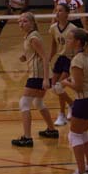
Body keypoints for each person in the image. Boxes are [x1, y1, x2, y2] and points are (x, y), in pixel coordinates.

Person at [59, 28, 88, 174]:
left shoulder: (76, 60)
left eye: (69, 39)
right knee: (83, 133)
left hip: (84, 100)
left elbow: (78, 87)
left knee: (74, 135)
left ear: (77, 42)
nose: (67, 41)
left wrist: (65, 82)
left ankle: (81, 172)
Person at [11, 12, 58, 147]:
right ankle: (51, 130)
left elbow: (44, 57)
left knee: (24, 103)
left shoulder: (33, 38)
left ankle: (27, 138)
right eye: (19, 21)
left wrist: (45, 79)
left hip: (38, 75)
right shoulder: (28, 36)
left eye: (24, 21)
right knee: (38, 102)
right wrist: (25, 56)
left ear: (32, 23)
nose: (21, 24)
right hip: (37, 73)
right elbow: (34, 53)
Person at [49, 4, 77, 126]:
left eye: (60, 11)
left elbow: (78, 45)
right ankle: (70, 106)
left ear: (67, 13)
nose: (58, 12)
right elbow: (54, 45)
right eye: (57, 10)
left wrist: (76, 61)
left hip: (70, 59)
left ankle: (63, 113)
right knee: (54, 87)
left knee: (59, 87)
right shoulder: (53, 28)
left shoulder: (73, 28)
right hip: (60, 58)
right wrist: (49, 58)